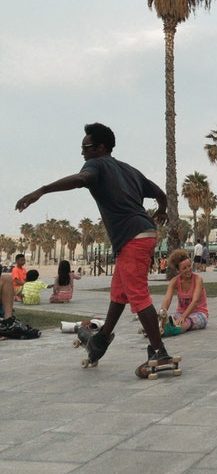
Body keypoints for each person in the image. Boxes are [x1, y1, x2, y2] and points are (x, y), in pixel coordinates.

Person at [15, 122, 176, 376]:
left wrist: (42, 190)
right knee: (119, 294)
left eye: (86, 147)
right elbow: (160, 193)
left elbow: (82, 179)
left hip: (132, 237)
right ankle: (100, 340)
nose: (82, 153)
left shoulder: (97, 164)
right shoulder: (128, 169)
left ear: (101, 148)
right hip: (141, 234)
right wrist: (162, 210)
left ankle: (159, 352)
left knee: (137, 295)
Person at [158, 249, 208, 336]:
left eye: (189, 266)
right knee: (170, 320)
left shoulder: (198, 279)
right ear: (178, 270)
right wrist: (162, 313)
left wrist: (183, 317)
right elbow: (167, 299)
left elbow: (195, 301)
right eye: (184, 268)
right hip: (180, 313)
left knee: (186, 322)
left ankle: (170, 331)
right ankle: (157, 329)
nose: (188, 270)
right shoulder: (174, 281)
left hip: (199, 313)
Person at [0, 269, 41, 339]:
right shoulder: (16, 270)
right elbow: (16, 282)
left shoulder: (22, 270)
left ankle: (8, 322)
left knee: (7, 279)